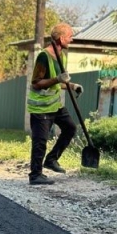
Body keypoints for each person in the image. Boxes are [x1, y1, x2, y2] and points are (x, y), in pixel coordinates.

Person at [27, 22, 83, 186]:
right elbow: (36, 83)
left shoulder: (62, 56)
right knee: (40, 141)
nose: (71, 40)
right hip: (41, 107)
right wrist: (58, 79)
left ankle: (51, 160)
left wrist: (72, 86)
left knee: (70, 128)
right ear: (60, 38)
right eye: (70, 36)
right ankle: (35, 175)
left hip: (55, 105)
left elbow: (59, 83)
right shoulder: (44, 56)